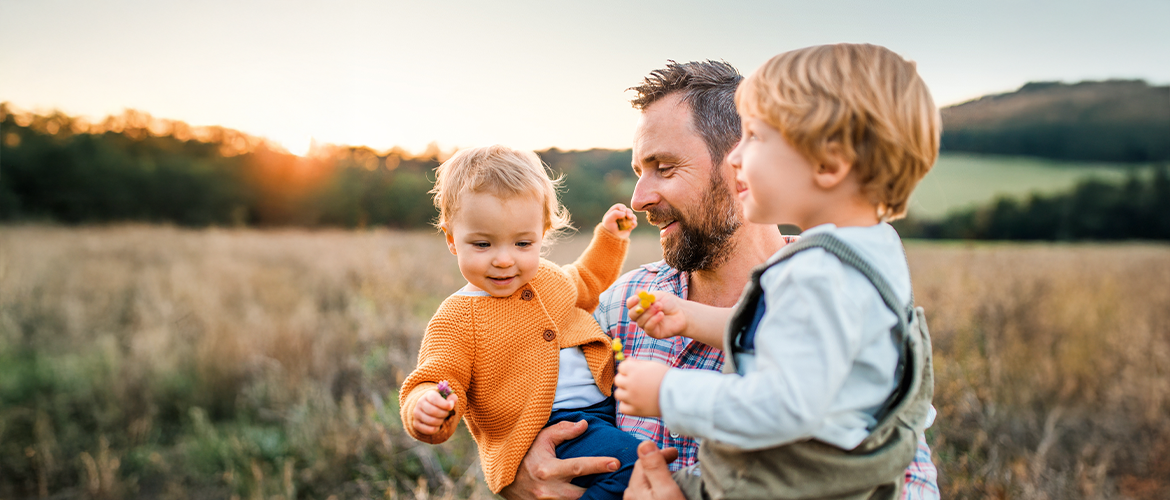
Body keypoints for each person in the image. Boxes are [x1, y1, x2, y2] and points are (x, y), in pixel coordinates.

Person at [501, 60, 939, 500]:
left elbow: (906, 479)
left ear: (737, 162)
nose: (639, 199)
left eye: (664, 167)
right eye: (639, 172)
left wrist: (669, 393)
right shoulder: (621, 304)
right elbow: (535, 399)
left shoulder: (839, 285)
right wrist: (517, 470)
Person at [398, 145, 642, 500]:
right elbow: (439, 377)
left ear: (542, 233)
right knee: (635, 465)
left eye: (523, 243)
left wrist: (610, 237)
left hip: (605, 408)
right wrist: (426, 405)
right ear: (452, 238)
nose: (503, 259)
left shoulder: (549, 279)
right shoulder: (457, 317)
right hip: (550, 427)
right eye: (482, 244)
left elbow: (587, 279)